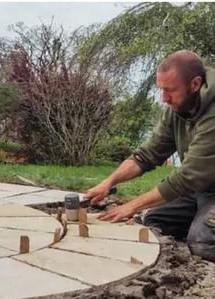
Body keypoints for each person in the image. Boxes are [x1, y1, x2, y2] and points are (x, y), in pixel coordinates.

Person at [84, 50, 215, 261]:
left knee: (204, 241)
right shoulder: (177, 109)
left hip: (203, 184)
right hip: (202, 189)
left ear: (195, 84)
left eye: (170, 90)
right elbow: (147, 155)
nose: (164, 98)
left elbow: (188, 176)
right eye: (161, 89)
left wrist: (132, 206)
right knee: (155, 220)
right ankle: (202, 219)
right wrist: (109, 182)